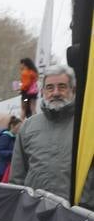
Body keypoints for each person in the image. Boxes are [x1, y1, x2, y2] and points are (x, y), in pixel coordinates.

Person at [10, 65, 94, 203]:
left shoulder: (88, 127)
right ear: (42, 91)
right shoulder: (28, 127)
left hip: (78, 217)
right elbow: (17, 178)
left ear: (73, 90)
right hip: (34, 214)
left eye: (62, 87)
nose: (55, 93)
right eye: (50, 87)